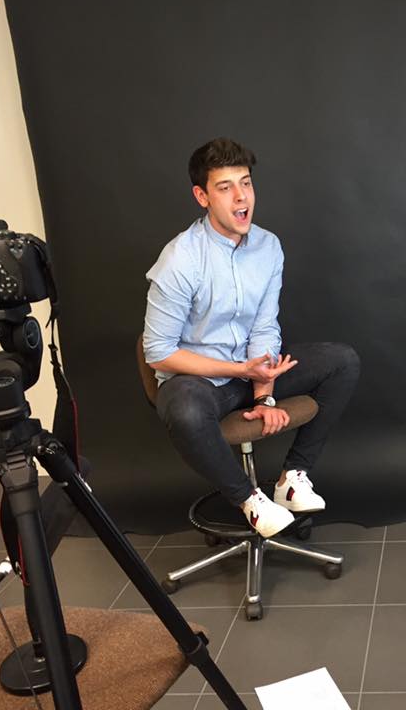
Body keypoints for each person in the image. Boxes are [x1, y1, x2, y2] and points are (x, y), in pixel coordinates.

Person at [142, 138, 360, 538]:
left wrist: (264, 395)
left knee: (342, 361)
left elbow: (264, 327)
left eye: (246, 183)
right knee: (184, 408)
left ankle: (292, 477)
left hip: (251, 374)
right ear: (202, 197)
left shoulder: (268, 247)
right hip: (200, 383)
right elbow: (158, 352)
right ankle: (249, 499)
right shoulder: (179, 260)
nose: (241, 197)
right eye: (225, 187)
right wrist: (241, 370)